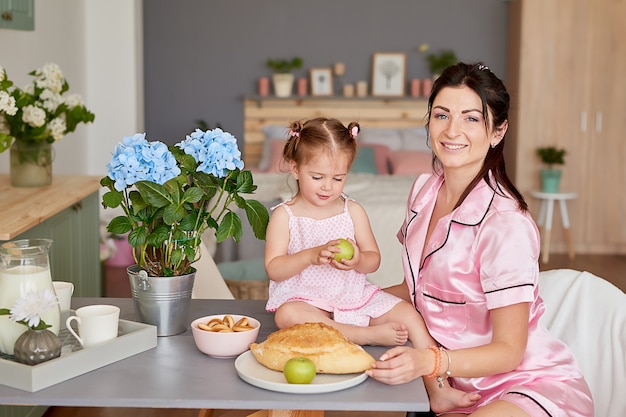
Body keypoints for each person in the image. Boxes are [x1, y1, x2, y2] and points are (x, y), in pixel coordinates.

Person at [366, 62, 594, 416]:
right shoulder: (423, 191)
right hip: (453, 386)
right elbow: (417, 291)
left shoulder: (505, 224)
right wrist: (346, 300)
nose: (452, 130)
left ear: (497, 132)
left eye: (471, 118)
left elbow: (509, 351)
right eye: (441, 115)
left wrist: (429, 361)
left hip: (525, 388)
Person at [264, 117, 477, 411]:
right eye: (318, 177)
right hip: (306, 301)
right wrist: (310, 256)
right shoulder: (284, 216)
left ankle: (438, 386)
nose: (328, 187)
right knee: (286, 315)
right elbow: (274, 268)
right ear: (295, 167)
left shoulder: (352, 211)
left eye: (338, 178)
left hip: (351, 297)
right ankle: (366, 336)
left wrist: (356, 260)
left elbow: (373, 260)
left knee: (410, 315)